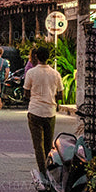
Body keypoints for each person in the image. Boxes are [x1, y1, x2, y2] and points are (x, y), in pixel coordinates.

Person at [23, 47, 63, 175]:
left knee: (38, 145)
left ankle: (42, 171)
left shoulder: (31, 73)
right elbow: (60, 95)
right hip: (50, 112)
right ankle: (49, 169)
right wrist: (50, 96)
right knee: (48, 143)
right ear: (48, 57)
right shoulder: (55, 74)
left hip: (35, 111)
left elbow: (26, 92)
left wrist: (36, 95)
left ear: (36, 57)